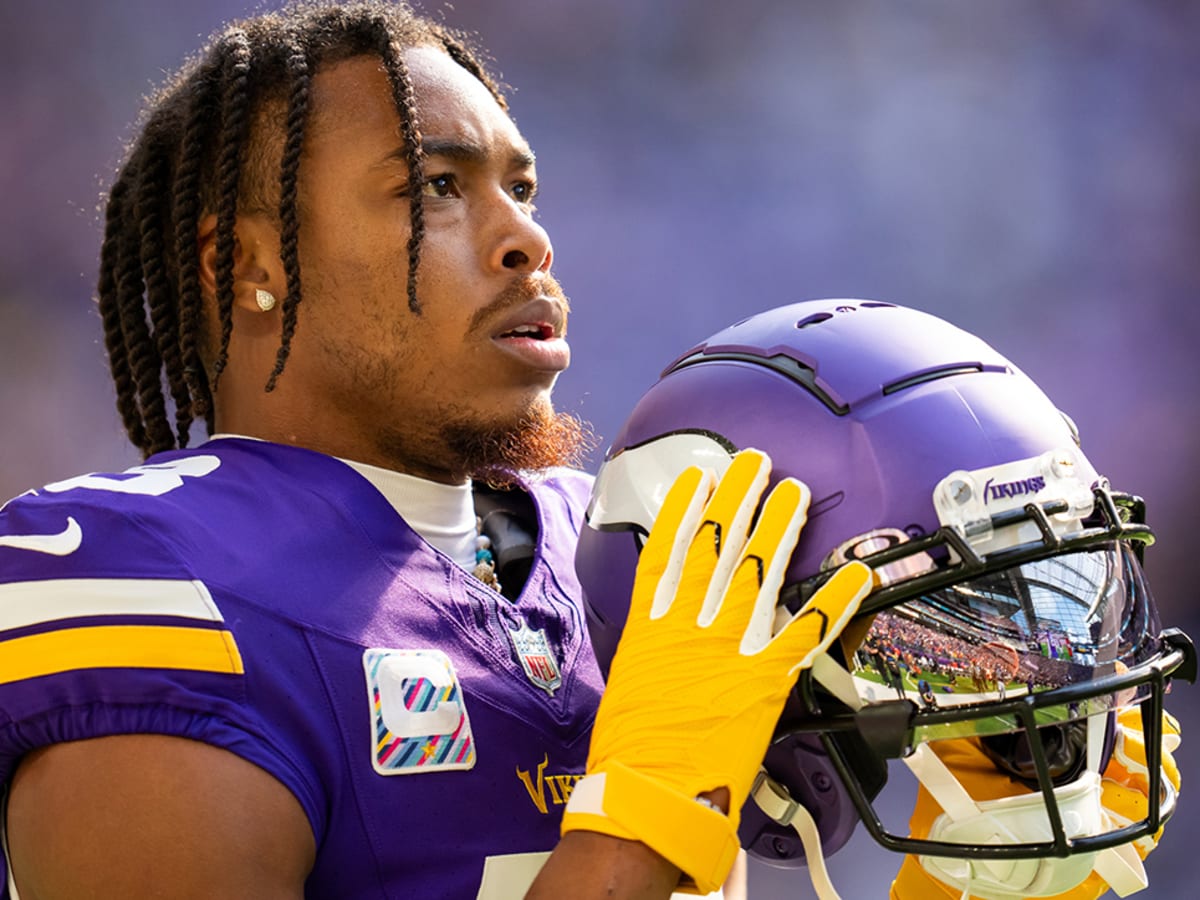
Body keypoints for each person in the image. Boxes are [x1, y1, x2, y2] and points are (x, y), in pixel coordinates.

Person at [0, 3, 870, 898]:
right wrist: (636, 829)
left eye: (521, 190)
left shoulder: (620, 541)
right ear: (251, 266)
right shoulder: (143, 573)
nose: (527, 241)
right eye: (438, 189)